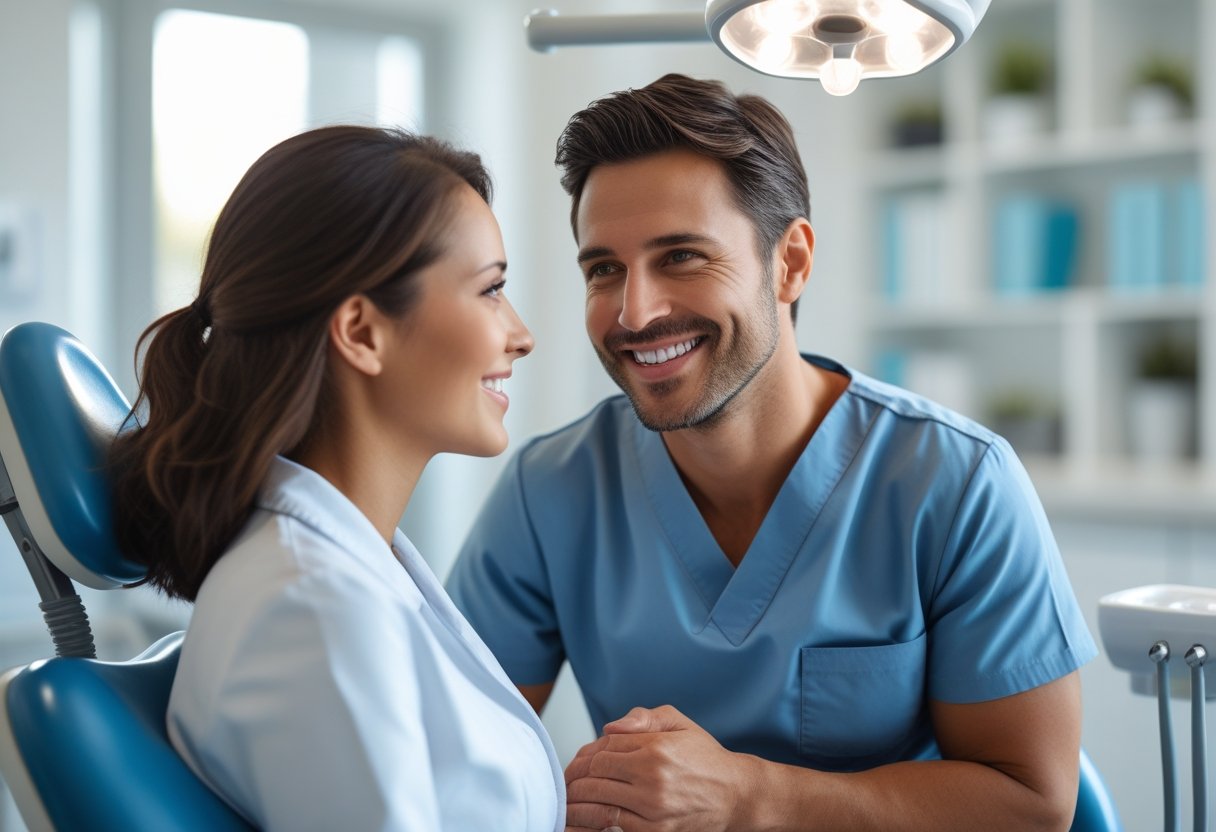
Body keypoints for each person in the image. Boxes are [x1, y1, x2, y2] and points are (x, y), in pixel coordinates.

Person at [446, 74, 1097, 831]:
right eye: (604, 269)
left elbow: (1032, 804)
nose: (635, 311)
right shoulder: (549, 491)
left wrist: (750, 797)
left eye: (682, 256)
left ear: (789, 263)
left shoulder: (956, 485)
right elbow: (457, 762)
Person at [109, 125, 564, 831]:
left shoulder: (347, 568)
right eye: (491, 290)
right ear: (360, 332)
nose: (521, 334)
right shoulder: (316, 608)